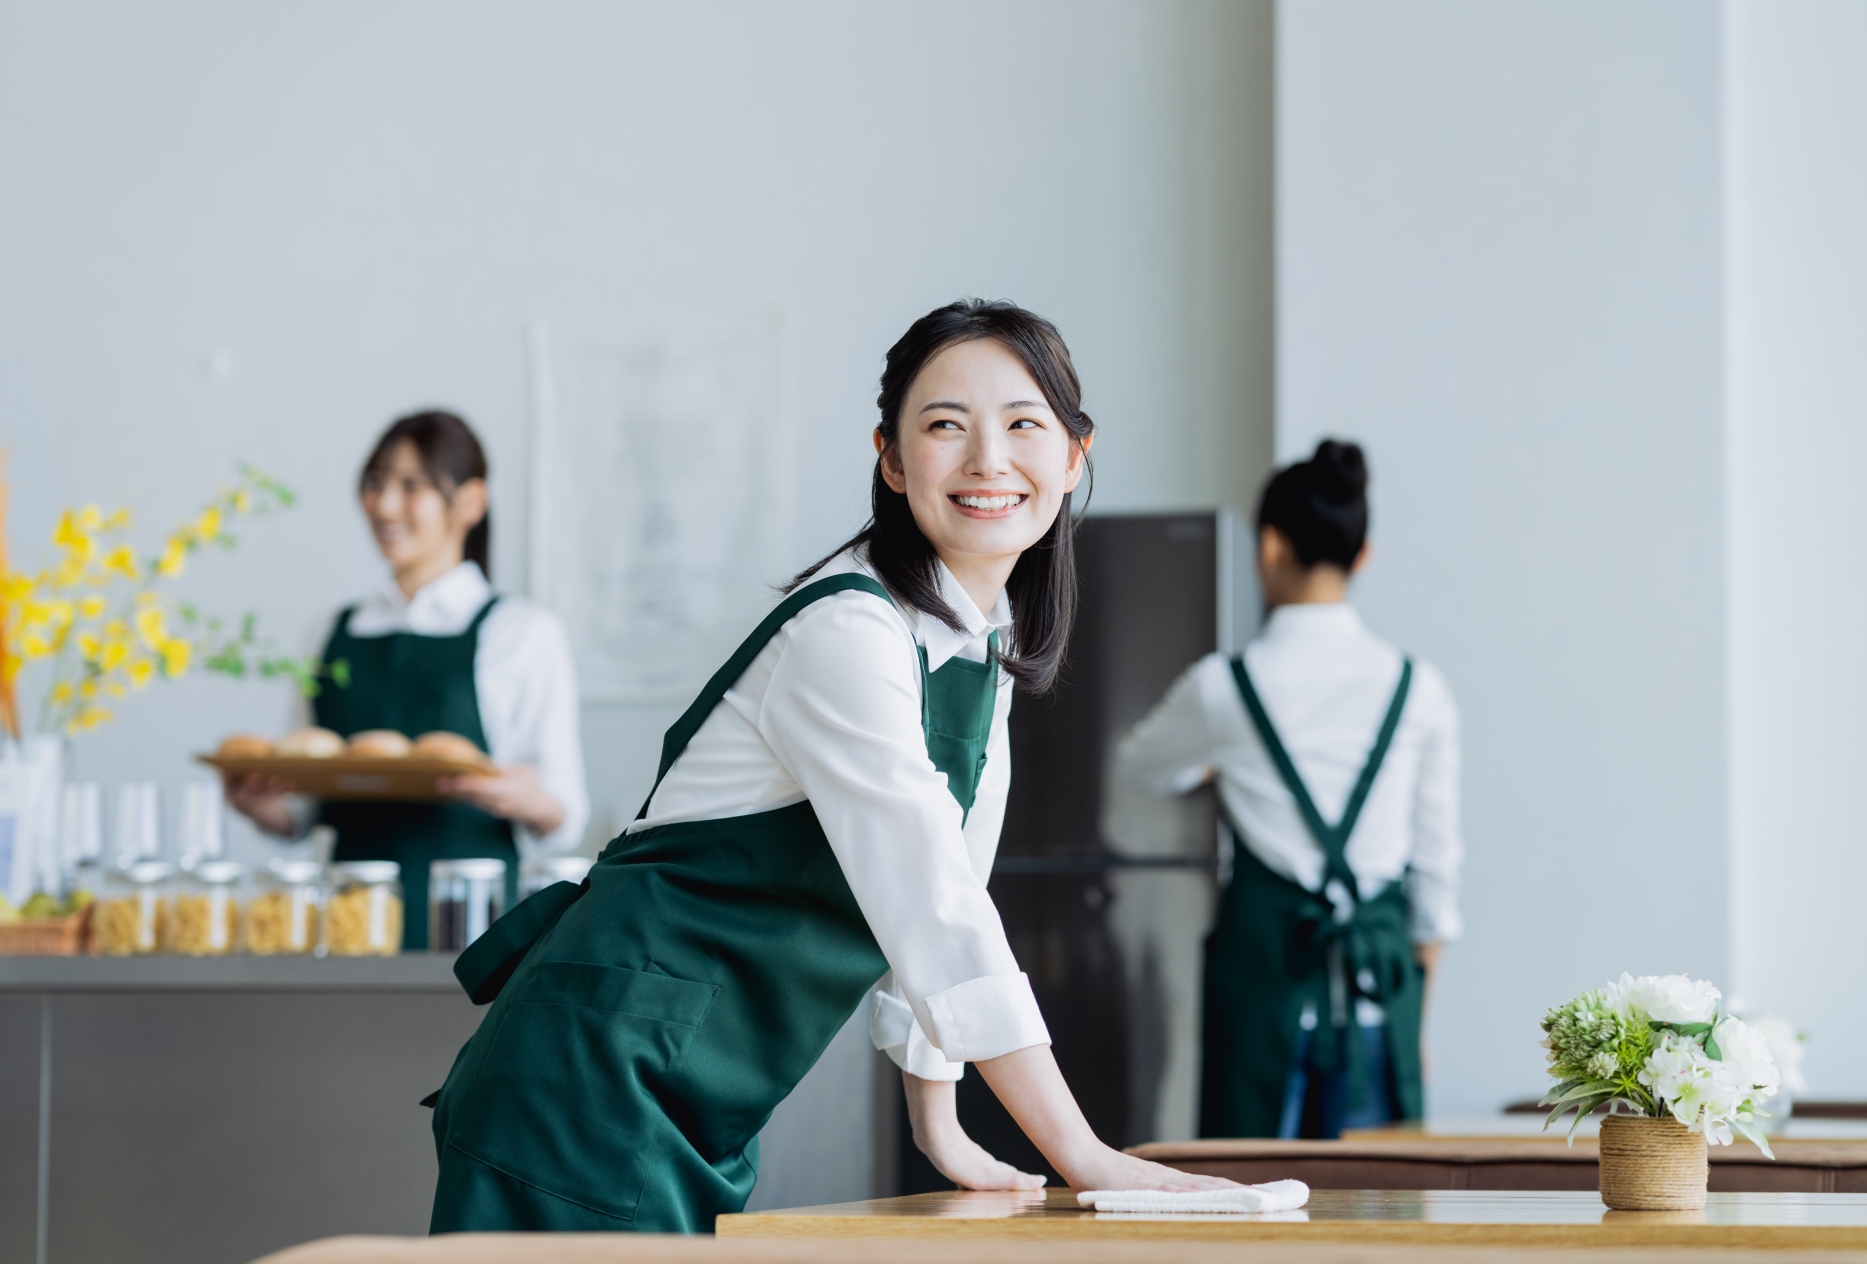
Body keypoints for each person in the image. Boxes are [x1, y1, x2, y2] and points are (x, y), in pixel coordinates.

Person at [425, 300, 1239, 1233]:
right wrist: (1085, 1157)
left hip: (682, 1094)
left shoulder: (980, 645)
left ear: (1073, 456)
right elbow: (933, 909)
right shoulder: (847, 630)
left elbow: (950, 895)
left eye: (1024, 424)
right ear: (891, 458)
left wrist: (941, 1126)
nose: (988, 460)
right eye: (946, 425)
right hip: (586, 1081)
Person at [1113, 440, 1462, 1139]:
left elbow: (1134, 767)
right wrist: (1417, 1026)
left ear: (1269, 545)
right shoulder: (1418, 688)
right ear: (1363, 556)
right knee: (1376, 1205)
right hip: (1376, 1003)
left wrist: (1209, 767)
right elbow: (1436, 874)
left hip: (1261, 1003)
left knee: (1254, 1198)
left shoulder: (1223, 688)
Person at [227, 410, 589, 949]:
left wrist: (520, 795)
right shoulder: (329, 631)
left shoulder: (522, 632)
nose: (384, 505)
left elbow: (565, 816)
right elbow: (303, 810)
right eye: (375, 484)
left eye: (411, 486)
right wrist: (261, 807)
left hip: (476, 927)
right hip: (348, 925)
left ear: (470, 503)